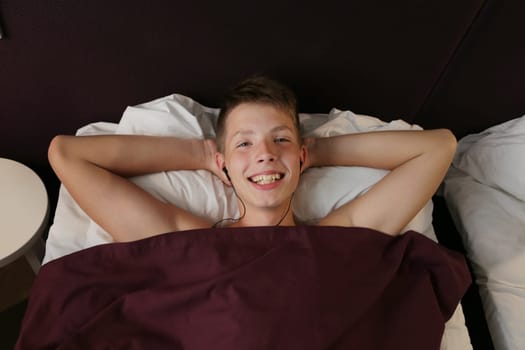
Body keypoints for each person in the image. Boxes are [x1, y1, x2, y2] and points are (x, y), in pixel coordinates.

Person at [48, 76, 457, 242]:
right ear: (224, 164)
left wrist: (311, 152)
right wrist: (203, 154)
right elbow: (68, 154)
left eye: (279, 139)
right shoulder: (189, 238)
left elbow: (438, 147)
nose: (264, 154)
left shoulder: (339, 235)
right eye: (245, 144)